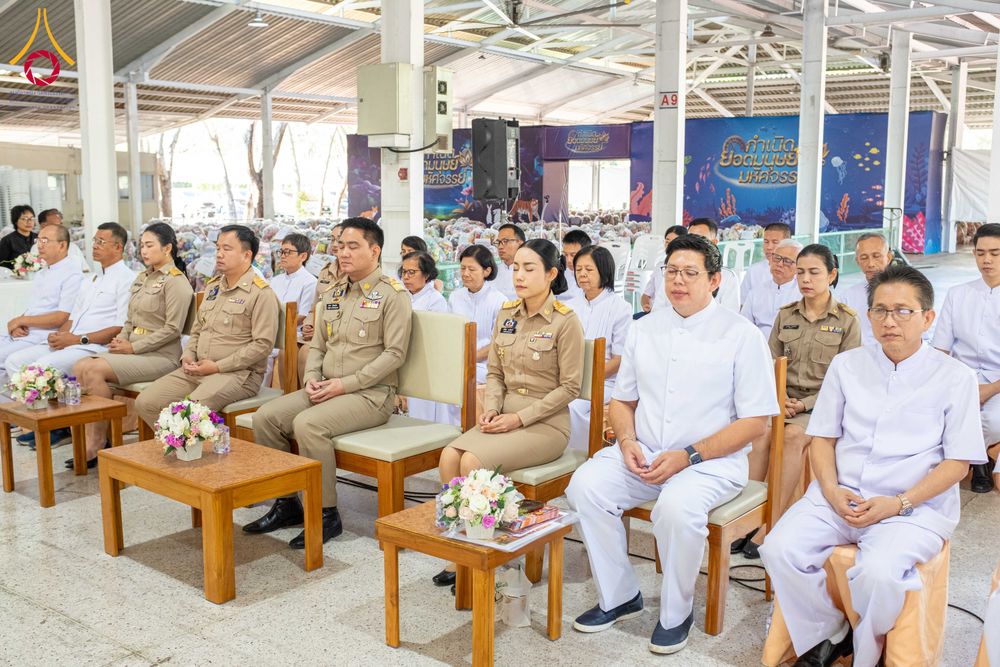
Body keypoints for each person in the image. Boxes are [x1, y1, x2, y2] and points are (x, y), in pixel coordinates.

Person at [760, 265, 986, 667]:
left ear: (928, 318)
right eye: (880, 311)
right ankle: (830, 632)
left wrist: (898, 503)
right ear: (868, 316)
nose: (889, 321)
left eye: (903, 311)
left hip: (912, 507)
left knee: (879, 574)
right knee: (778, 549)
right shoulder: (848, 366)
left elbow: (957, 465)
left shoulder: (955, 377)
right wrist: (829, 490)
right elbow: (823, 439)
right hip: (839, 494)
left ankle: (869, 651)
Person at [566, 234, 777, 654]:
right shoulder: (646, 329)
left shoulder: (740, 335)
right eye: (671, 271)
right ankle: (620, 595)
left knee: (676, 510)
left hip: (708, 463)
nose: (678, 281)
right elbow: (623, 402)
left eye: (690, 273)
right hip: (644, 452)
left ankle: (676, 613)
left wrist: (688, 455)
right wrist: (626, 440)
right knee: (584, 487)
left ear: (715, 279)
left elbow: (756, 422)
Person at [248, 217, 411, 548]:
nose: (344, 253)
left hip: (370, 395)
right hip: (326, 388)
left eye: (353, 246)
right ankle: (287, 502)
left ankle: (326, 515)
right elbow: (319, 345)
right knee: (266, 418)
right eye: (340, 247)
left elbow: (394, 355)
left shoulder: (393, 295)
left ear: (375, 250)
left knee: (308, 425)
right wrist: (310, 378)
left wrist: (345, 385)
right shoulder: (334, 292)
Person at [432, 239, 583, 588]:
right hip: (503, 415)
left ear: (551, 274)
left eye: (530, 268)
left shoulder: (565, 321)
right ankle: (460, 551)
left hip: (546, 424)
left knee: (472, 462)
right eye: (516, 267)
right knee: (448, 457)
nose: (519, 275)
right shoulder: (507, 314)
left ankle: (482, 557)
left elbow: (570, 388)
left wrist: (518, 418)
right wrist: (493, 409)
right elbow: (496, 373)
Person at [737, 244, 861, 559]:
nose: (805, 278)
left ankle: (772, 521)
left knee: (791, 437)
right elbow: (768, 363)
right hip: (780, 399)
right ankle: (745, 516)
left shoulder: (847, 321)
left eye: (814, 272)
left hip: (821, 406)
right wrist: (781, 398)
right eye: (801, 271)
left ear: (832, 274)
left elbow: (846, 379)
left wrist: (803, 405)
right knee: (759, 434)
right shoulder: (786, 315)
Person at [70, 223, 194, 469]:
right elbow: (130, 320)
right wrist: (122, 340)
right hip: (134, 351)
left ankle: (97, 443)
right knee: (80, 366)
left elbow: (172, 330)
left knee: (93, 369)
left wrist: (133, 348)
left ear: (167, 248)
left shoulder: (176, 282)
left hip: (161, 357)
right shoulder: (143, 278)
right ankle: (100, 438)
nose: (144, 251)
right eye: (142, 246)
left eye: (150, 246)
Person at [134, 225, 279, 430]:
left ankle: (189, 449)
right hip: (199, 368)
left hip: (238, 375)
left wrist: (218, 367)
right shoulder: (213, 287)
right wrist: (188, 355)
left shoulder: (261, 293)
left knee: (188, 412)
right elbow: (198, 329)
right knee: (146, 402)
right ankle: (182, 446)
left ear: (247, 255)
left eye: (227, 249)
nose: (219, 254)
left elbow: (262, 346)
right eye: (218, 247)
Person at [6, 223, 136, 447]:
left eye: (100, 242)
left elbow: (119, 327)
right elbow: (73, 317)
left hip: (95, 345)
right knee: (17, 361)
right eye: (94, 241)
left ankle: (58, 426)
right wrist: (60, 335)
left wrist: (76, 339)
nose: (94, 246)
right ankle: (45, 422)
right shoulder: (91, 279)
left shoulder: (127, 279)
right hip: (73, 340)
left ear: (118, 247)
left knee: (43, 366)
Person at [932, 222, 1000, 493]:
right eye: (981, 252)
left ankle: (975, 458)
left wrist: (989, 389)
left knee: (994, 421)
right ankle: (980, 459)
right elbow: (940, 348)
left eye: (995, 253)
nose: (986, 260)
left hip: (997, 382)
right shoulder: (958, 294)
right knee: (935, 416)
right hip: (959, 377)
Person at [1, 223, 84, 416]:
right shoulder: (43, 272)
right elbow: (35, 308)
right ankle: (9, 413)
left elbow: (62, 316)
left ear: (62, 246)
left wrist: (24, 321)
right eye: (39, 240)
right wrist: (17, 322)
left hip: (44, 335)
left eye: (46, 241)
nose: (40, 245)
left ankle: (17, 414)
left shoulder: (72, 273)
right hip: (29, 331)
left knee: (6, 358)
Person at [566, 245, 631, 451]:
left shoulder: (620, 308)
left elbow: (619, 359)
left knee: (570, 407)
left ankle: (579, 456)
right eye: (578, 270)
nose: (582, 274)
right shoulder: (571, 306)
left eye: (589, 269)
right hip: (570, 378)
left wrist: (587, 379)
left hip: (605, 381)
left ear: (604, 271)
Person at [399, 250, 449, 423]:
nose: (406, 277)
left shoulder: (435, 301)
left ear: (426, 274)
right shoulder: (401, 296)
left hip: (425, 363)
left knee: (423, 415)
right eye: (403, 272)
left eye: (412, 272)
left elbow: (435, 338)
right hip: (401, 359)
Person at [267, 232, 317, 388]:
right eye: (281, 251)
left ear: (303, 256)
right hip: (271, 331)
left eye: (288, 252)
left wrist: (277, 327)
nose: (283, 256)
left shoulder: (309, 282)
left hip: (293, 335)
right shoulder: (275, 280)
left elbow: (303, 315)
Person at [299, 223, 343, 384]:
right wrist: (308, 325)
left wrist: (318, 330)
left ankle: (310, 394)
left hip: (335, 335)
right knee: (285, 351)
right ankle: (296, 393)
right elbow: (314, 307)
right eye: (333, 239)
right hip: (318, 332)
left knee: (305, 352)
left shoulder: (354, 273)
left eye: (340, 240)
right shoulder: (325, 271)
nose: (335, 244)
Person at [837, 232, 894, 346]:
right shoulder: (847, 297)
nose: (870, 264)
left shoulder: (907, 292)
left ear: (888, 257)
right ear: (857, 261)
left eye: (876, 256)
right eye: (864, 258)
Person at [742, 238, 803, 339]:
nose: (780, 264)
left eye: (787, 261)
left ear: (798, 267)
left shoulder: (803, 295)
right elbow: (744, 325)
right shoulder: (756, 291)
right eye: (777, 258)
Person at [686, 218, 741, 311]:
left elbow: (730, 317)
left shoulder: (728, 278)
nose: (693, 245)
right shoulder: (673, 273)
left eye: (701, 240)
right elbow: (659, 310)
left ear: (714, 243)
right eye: (690, 240)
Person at [741, 222, 792, 306]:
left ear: (787, 243)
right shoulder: (754, 270)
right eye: (766, 242)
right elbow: (743, 303)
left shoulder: (797, 271)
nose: (769, 247)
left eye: (775, 242)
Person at [640, 225, 687, 314]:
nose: (669, 245)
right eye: (667, 241)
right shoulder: (659, 266)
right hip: (653, 313)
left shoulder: (687, 269)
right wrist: (646, 305)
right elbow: (646, 295)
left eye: (674, 242)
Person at [492, 223, 525, 299]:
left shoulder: (530, 272)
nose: (500, 247)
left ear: (520, 244)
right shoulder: (493, 272)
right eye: (498, 242)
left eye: (505, 241)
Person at [0, 205, 37, 270]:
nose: (29, 222)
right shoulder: (7, 240)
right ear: (15, 221)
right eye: (24, 219)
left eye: (31, 218)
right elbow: (2, 264)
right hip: (15, 277)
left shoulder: (39, 237)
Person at [561, 229, 592, 302]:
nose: (568, 260)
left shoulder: (595, 277)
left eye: (573, 255)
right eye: (565, 254)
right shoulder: (561, 272)